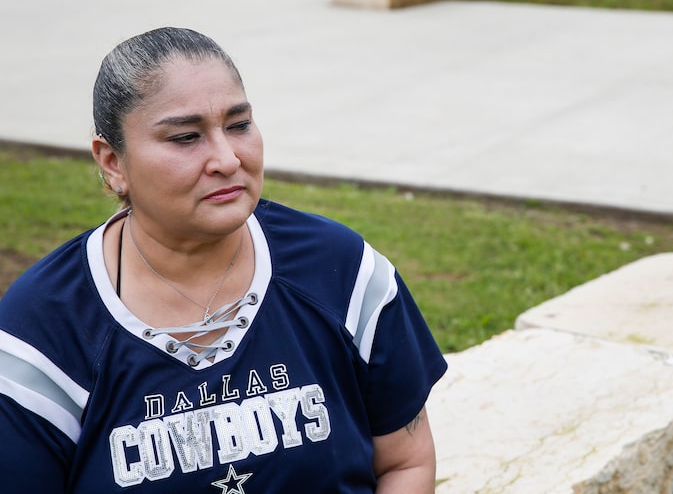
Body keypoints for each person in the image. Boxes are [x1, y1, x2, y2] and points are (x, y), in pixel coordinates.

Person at [0, 27, 447, 493]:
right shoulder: (42, 330)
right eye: (186, 137)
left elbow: (405, 463)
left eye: (238, 125)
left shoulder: (345, 275)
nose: (227, 159)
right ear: (113, 162)